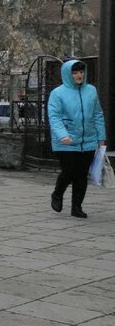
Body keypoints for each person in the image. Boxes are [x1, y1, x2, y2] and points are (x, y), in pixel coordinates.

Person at [48, 59, 106, 219]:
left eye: (81, 72)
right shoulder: (58, 93)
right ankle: (57, 194)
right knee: (69, 172)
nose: (79, 75)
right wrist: (62, 135)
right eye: (74, 72)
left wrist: (101, 137)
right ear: (68, 74)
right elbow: (54, 117)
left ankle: (77, 207)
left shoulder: (91, 90)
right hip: (66, 142)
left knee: (81, 175)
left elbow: (98, 114)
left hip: (88, 140)